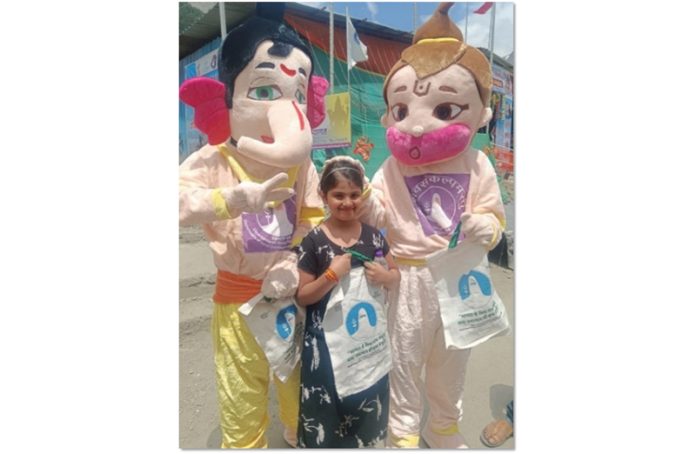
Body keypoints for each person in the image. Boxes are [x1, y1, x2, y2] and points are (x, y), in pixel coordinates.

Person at [358, 2, 506, 448]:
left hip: (459, 273)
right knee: (403, 358)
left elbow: (494, 217)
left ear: (479, 111)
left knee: (452, 358)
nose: (416, 126)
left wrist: (486, 225)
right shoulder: (390, 170)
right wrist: (368, 205)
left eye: (444, 109)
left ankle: (442, 426)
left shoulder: (477, 162)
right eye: (401, 111)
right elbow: (379, 212)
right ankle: (402, 430)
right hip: (407, 276)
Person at [178, 4, 327, 448]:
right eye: (265, 92)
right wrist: (233, 200)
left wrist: (292, 260)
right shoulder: (214, 157)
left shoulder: (303, 166)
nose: (287, 110)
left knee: (295, 379)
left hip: (290, 296)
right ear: (228, 95)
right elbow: (176, 200)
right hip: (238, 298)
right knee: (241, 392)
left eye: (296, 96)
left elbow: (313, 216)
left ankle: (294, 433)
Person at [294, 157, 401, 448]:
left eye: (354, 195)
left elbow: (396, 276)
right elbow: (302, 295)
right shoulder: (313, 241)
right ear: (324, 196)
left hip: (365, 343)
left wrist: (386, 275)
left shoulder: (374, 237)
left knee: (365, 402)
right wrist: (331, 274)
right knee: (328, 410)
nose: (347, 202)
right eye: (338, 195)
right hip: (325, 348)